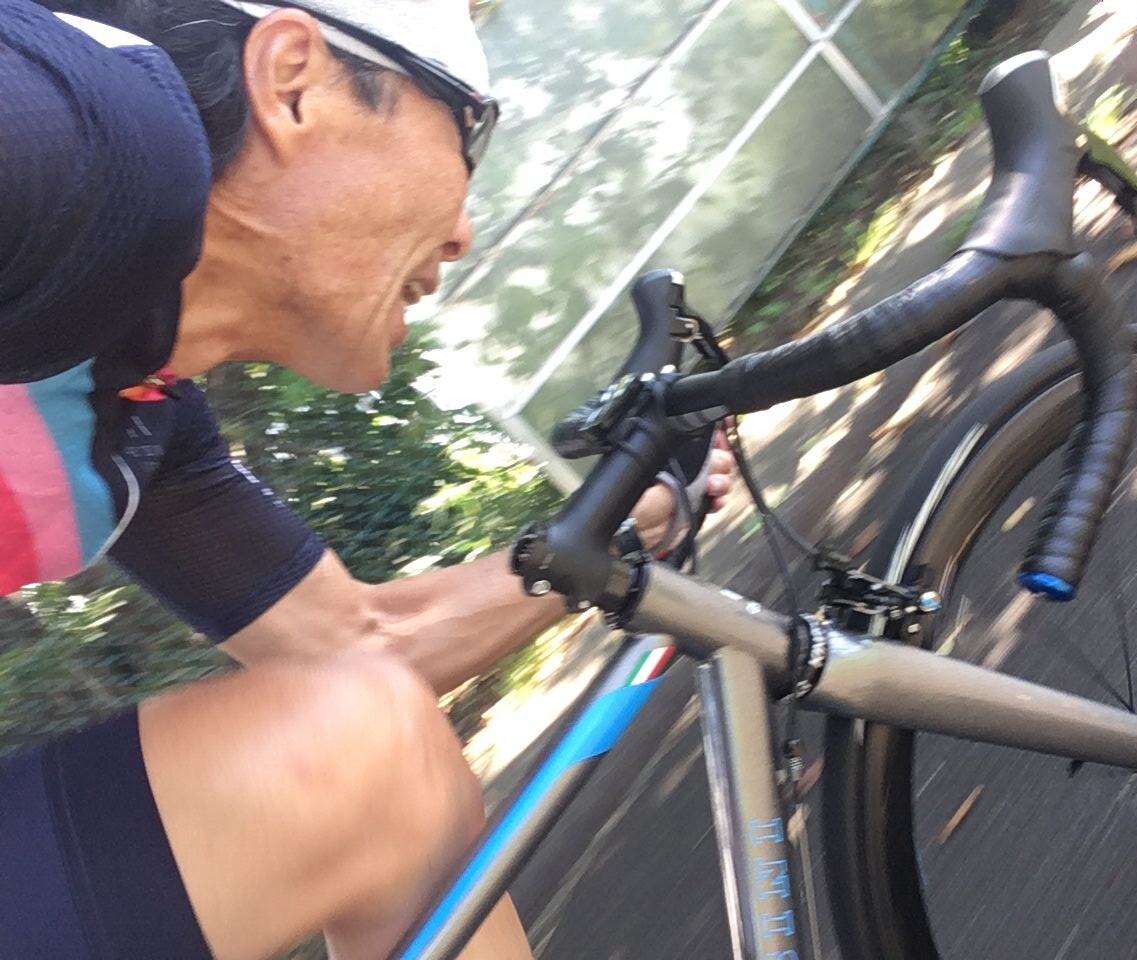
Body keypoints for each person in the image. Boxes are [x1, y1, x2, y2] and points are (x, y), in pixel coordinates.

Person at [0, 1, 734, 958]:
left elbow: (362, 647)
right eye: (468, 130)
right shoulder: (86, 133)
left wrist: (637, 524)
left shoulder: (135, 418)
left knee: (373, 759)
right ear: (292, 81)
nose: (464, 232)